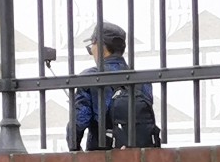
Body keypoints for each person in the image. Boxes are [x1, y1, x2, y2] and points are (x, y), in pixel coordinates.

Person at [66, 22, 160, 150]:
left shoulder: (90, 77)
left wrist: (77, 153)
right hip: (139, 157)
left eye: (91, 45)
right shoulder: (142, 81)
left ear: (99, 45)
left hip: (103, 159)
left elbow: (79, 123)